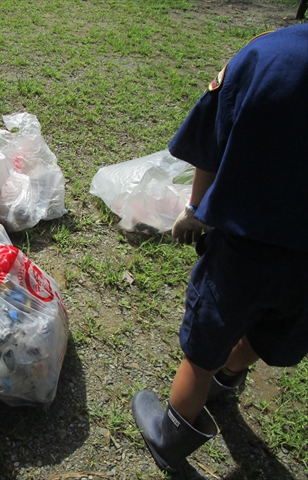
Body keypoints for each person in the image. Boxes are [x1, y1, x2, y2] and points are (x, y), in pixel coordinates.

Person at [131, 23, 308, 473]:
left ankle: (172, 434)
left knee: (205, 339)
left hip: (246, 242)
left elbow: (209, 145)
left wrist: (194, 209)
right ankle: (230, 377)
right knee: (278, 328)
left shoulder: (266, 54)